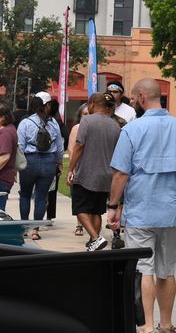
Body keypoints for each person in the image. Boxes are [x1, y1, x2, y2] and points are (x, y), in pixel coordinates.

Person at [107, 78, 176, 333]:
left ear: (143, 97)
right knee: (166, 270)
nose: (132, 101)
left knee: (144, 268)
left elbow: (121, 173)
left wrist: (113, 206)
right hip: (170, 207)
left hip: (141, 208)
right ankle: (166, 325)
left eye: (134, 98)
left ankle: (146, 327)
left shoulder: (133, 130)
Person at [68, 92, 122, 252]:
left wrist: (71, 168)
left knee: (80, 208)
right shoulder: (115, 125)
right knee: (97, 210)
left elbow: (79, 145)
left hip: (87, 173)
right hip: (107, 175)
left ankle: (95, 237)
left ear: (92, 104)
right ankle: (94, 242)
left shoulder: (87, 121)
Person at [16, 94, 64, 234]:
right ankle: (35, 230)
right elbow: (59, 147)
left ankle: (24, 228)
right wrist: (59, 162)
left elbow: (20, 146)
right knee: (41, 196)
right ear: (47, 105)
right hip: (49, 162)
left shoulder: (25, 122)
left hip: (30, 162)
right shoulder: (54, 123)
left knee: (25, 194)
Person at [66, 103, 92, 236]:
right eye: (85, 114)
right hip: (79, 167)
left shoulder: (95, 128)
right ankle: (79, 224)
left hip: (92, 168)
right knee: (79, 198)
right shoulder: (76, 128)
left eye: (89, 114)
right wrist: (73, 168)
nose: (87, 117)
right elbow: (71, 149)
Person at [44, 97, 66, 223]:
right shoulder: (57, 123)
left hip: (34, 160)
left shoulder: (30, 120)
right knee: (51, 189)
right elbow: (64, 139)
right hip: (52, 159)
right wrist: (60, 160)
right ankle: (49, 214)